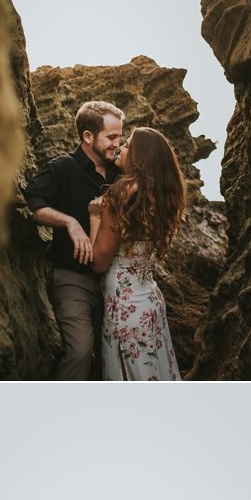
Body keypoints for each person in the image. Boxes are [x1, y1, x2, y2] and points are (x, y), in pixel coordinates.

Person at [24, 101, 125, 379]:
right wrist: (69, 222)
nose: (118, 144)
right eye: (112, 137)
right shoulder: (62, 168)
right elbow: (33, 203)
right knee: (80, 351)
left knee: (113, 355)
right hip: (72, 279)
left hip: (116, 282)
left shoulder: (121, 172)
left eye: (120, 136)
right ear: (88, 136)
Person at [89, 127, 185, 381]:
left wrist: (93, 217)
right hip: (150, 302)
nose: (121, 147)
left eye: (129, 145)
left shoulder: (121, 193)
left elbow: (98, 262)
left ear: (140, 156)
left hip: (125, 308)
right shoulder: (159, 196)